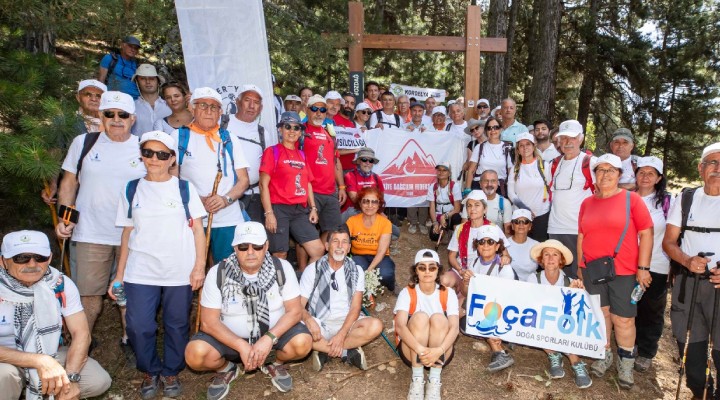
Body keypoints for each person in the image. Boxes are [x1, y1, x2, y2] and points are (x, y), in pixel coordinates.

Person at [110, 131, 207, 398]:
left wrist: (199, 267)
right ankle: (149, 370)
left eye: (162, 154)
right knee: (139, 325)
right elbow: (127, 232)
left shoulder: (184, 188)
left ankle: (171, 371)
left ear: (172, 159)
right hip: (140, 270)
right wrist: (118, 276)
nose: (154, 159)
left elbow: (199, 230)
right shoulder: (132, 188)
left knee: (177, 323)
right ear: (141, 155)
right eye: (149, 152)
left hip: (179, 270)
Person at [55, 91, 146, 362]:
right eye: (110, 114)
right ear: (100, 116)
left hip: (133, 234)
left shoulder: (145, 146)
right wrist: (64, 217)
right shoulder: (83, 143)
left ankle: (130, 339)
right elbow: (69, 182)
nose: (116, 120)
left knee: (129, 291)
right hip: (90, 231)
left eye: (122, 115)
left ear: (133, 119)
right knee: (87, 292)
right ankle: (83, 340)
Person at [185, 222, 313, 397]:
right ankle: (226, 369)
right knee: (195, 354)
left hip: (273, 338)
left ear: (266, 246)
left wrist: (268, 339)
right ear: (235, 248)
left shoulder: (282, 268)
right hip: (230, 341)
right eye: (243, 247)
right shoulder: (218, 272)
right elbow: (208, 322)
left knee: (302, 343)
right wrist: (241, 345)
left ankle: (273, 362)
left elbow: (294, 311)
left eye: (257, 246)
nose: (250, 252)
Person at [0, 230, 112, 400]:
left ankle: (43, 390)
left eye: (40, 257)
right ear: (3, 261)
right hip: (6, 359)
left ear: (50, 258)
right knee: (4, 376)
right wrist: (39, 361)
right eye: (21, 258)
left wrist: (72, 377)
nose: (32, 264)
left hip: (50, 351)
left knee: (97, 380)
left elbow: (81, 334)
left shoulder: (59, 284)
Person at [577, 153, 653, 390]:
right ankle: (604, 354)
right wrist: (581, 266)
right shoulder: (587, 203)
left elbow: (647, 233)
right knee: (602, 315)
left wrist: (643, 268)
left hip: (624, 271)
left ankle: (626, 363)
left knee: (624, 318)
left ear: (620, 175)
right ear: (594, 175)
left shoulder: (632, 200)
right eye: (600, 170)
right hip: (593, 270)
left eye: (611, 170)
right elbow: (581, 235)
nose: (605, 174)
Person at [662, 142, 720, 399]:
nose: (717, 168)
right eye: (712, 162)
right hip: (689, 283)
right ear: (700, 168)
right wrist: (686, 261)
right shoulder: (686, 198)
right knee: (690, 343)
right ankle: (701, 390)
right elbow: (669, 242)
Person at [170, 87, 250, 263]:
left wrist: (225, 199)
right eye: (203, 105)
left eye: (214, 107)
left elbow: (243, 180)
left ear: (220, 112)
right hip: (193, 217)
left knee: (228, 270)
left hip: (228, 218)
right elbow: (171, 179)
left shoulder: (230, 139)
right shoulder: (178, 137)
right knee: (192, 268)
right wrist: (195, 199)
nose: (208, 111)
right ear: (192, 108)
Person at [299, 225, 383, 371]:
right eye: (335, 241)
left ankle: (325, 349)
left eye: (344, 242)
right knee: (297, 331)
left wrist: (341, 335)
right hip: (320, 323)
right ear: (326, 246)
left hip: (347, 323)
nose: (339, 246)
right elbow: (299, 306)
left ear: (349, 248)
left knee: (376, 326)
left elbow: (356, 308)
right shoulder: (313, 269)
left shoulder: (356, 271)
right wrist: (309, 320)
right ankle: (346, 350)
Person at [258, 111, 324, 263]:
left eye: (296, 128)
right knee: (280, 254)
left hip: (300, 210)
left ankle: (306, 284)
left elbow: (307, 183)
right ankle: (279, 286)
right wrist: (269, 213)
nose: (292, 131)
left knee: (318, 250)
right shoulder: (272, 152)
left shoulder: (302, 155)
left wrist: (313, 207)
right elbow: (263, 184)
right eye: (287, 127)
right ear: (280, 129)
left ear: (300, 132)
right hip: (278, 208)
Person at [394, 249, 459, 400]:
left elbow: (454, 328)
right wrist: (420, 349)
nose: (427, 271)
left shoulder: (448, 293)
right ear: (416, 271)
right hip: (413, 350)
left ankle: (434, 380)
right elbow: (400, 326)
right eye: (422, 267)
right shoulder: (407, 292)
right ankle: (417, 379)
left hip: (440, 352)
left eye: (432, 267)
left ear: (438, 270)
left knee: (438, 318)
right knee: (421, 317)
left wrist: (439, 350)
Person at [527, 239, 592, 388]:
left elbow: (576, 313)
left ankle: (575, 361)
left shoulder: (569, 281)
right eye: (546, 254)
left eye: (555, 255)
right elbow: (530, 305)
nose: (550, 259)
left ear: (561, 259)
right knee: (533, 322)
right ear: (541, 259)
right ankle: (553, 353)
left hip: (562, 324)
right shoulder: (533, 279)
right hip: (542, 321)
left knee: (568, 324)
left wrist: (576, 293)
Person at [633, 156, 673, 373]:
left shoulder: (668, 202)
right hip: (629, 263)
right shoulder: (628, 198)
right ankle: (632, 344)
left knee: (651, 309)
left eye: (651, 173)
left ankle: (647, 351)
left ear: (659, 178)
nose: (645, 177)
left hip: (657, 263)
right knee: (632, 307)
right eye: (641, 172)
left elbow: (675, 234)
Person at [41, 79, 108, 207]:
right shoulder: (64, 122)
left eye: (99, 96)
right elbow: (55, 153)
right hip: (73, 188)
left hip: (104, 190)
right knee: (69, 224)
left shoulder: (113, 123)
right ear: (78, 97)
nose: (94, 99)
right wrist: (53, 184)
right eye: (88, 94)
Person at [460, 225, 516, 372]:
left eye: (490, 242)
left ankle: (499, 352)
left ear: (498, 246)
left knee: (480, 319)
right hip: (483, 304)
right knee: (459, 317)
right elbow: (466, 293)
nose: (485, 245)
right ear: (477, 245)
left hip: (501, 309)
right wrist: (465, 282)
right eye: (481, 242)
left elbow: (507, 298)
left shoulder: (504, 268)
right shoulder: (475, 263)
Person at [547, 119, 596, 279]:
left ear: (581, 138)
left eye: (572, 137)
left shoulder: (590, 163)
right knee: (558, 277)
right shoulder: (553, 164)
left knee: (580, 276)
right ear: (558, 140)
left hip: (578, 231)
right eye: (563, 138)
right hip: (555, 229)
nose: (567, 142)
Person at [444, 190, 509, 300]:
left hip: (482, 274)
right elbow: (451, 256)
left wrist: (505, 259)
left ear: (485, 209)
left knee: (461, 308)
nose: (472, 209)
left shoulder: (493, 228)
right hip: (462, 270)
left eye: (477, 205)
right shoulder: (460, 228)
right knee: (443, 281)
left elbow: (505, 254)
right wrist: (460, 270)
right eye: (469, 206)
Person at [226, 84, 274, 223]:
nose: (252, 106)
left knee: (252, 240)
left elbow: (268, 168)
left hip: (253, 197)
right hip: (224, 194)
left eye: (257, 102)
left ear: (261, 108)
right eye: (247, 100)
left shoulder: (263, 133)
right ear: (237, 102)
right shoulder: (223, 123)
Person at [346, 187, 396, 292]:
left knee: (385, 274)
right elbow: (344, 242)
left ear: (379, 205)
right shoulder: (352, 221)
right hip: (359, 255)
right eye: (366, 201)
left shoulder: (385, 223)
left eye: (374, 202)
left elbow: (382, 251)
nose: (370, 205)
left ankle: (392, 285)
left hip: (379, 256)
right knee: (356, 272)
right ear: (360, 203)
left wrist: (369, 271)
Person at [507, 131, 551, 241]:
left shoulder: (544, 166)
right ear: (517, 149)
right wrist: (525, 209)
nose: (524, 148)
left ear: (533, 146)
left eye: (528, 144)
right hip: (520, 217)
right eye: (521, 145)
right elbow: (511, 193)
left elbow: (551, 188)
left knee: (539, 249)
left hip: (541, 215)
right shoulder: (514, 169)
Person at [465, 117, 513, 194]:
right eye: (489, 128)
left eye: (496, 127)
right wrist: (467, 189)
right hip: (479, 188)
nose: (492, 130)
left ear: (500, 129)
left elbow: (511, 173)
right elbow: (471, 170)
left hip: (500, 189)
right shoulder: (479, 147)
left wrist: (512, 192)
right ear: (486, 131)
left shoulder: (508, 148)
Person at [341, 148, 383, 220]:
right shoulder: (350, 176)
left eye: (371, 160)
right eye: (364, 159)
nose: (367, 163)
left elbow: (381, 199)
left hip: (371, 210)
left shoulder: (377, 177)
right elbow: (355, 199)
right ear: (358, 161)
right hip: (354, 210)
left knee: (395, 231)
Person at [131, 64, 171, 136]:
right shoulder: (131, 107)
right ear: (137, 82)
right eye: (143, 78)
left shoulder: (170, 105)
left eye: (152, 78)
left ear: (158, 82)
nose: (148, 82)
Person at [427, 162, 462, 242]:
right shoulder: (433, 187)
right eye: (439, 170)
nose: (441, 172)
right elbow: (432, 208)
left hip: (451, 213)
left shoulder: (454, 186)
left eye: (444, 170)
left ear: (449, 173)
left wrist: (445, 216)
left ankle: (455, 238)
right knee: (434, 236)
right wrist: (435, 222)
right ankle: (445, 232)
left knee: (457, 218)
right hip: (439, 214)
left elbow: (457, 209)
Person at [506, 209, 539, 281]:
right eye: (517, 222)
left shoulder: (537, 245)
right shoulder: (505, 245)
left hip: (531, 286)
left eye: (525, 222)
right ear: (512, 226)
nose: (521, 225)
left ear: (530, 226)